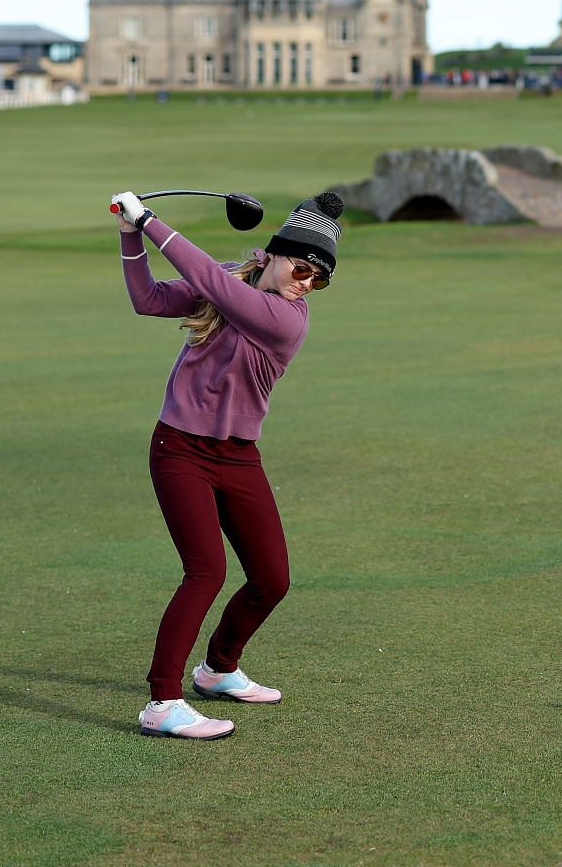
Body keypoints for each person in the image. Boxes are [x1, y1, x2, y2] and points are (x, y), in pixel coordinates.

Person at [109, 188, 344, 740]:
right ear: (274, 254)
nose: (307, 283)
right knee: (206, 570)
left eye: (320, 279)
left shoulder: (287, 320)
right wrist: (129, 236)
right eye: (303, 268)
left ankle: (217, 670)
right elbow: (147, 299)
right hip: (180, 450)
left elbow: (213, 285)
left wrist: (150, 222)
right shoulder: (229, 283)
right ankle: (162, 702)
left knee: (271, 578)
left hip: (239, 458)